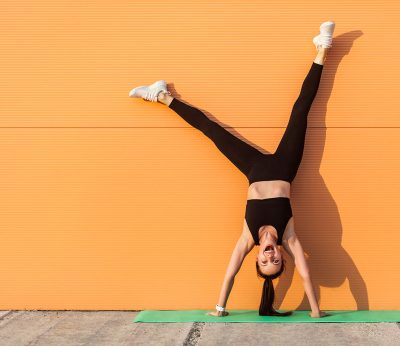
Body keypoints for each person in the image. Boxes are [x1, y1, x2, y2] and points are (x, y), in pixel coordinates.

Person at [129, 21, 336, 318]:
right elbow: (304, 275)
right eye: (276, 262)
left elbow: (229, 275)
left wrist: (219, 308)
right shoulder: (289, 237)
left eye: (265, 263)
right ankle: (322, 49)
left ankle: (161, 96)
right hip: (285, 167)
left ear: (256, 259)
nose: (270, 257)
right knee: (301, 109)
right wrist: (315, 311)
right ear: (282, 257)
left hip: (253, 169)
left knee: (211, 131)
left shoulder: (246, 238)